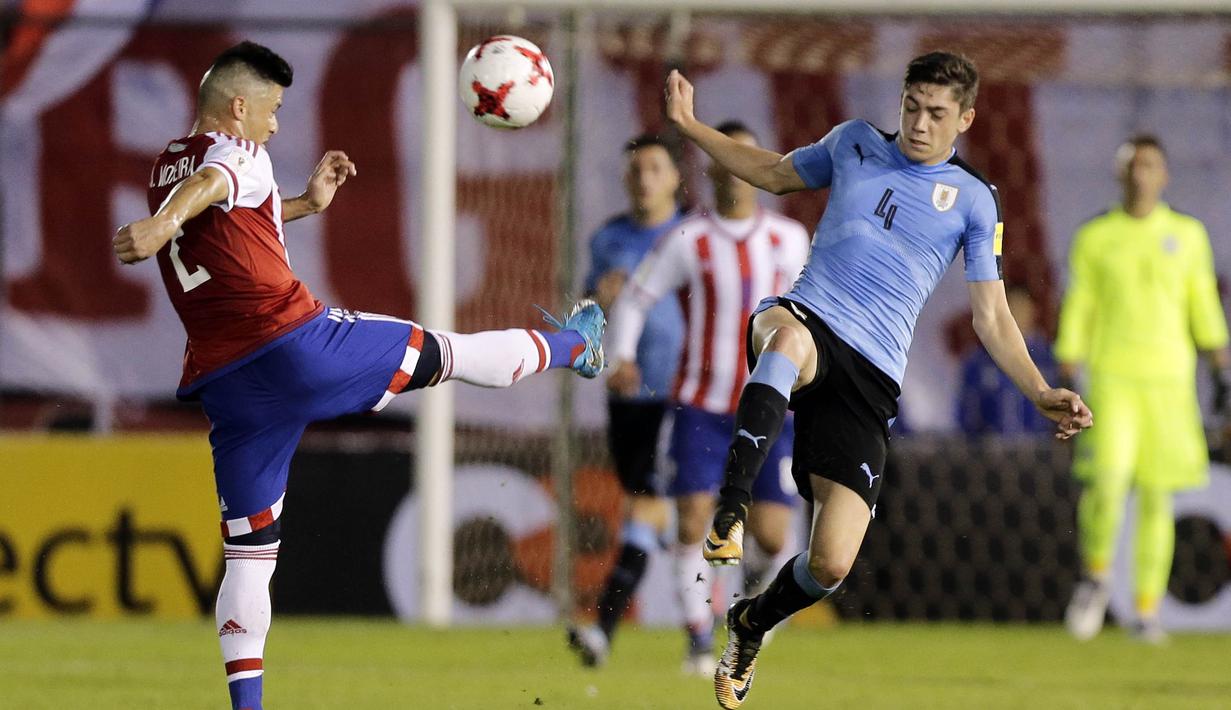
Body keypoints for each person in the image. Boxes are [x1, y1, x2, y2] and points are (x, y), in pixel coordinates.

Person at [112, 42, 605, 710]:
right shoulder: (231, 156)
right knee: (445, 353)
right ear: (237, 107)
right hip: (294, 344)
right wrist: (160, 225)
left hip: (227, 385)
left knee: (249, 553)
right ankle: (577, 346)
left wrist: (305, 205)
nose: (276, 125)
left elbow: (223, 211)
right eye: (273, 110)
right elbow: (215, 188)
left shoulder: (167, 163)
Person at [664, 52, 1093, 709]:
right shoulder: (853, 142)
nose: (919, 124)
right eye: (912, 107)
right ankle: (731, 511)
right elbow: (775, 174)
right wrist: (691, 126)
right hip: (808, 315)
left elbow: (991, 316)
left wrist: (1038, 390)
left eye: (937, 114)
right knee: (785, 340)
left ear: (966, 118)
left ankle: (748, 622)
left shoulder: (975, 201)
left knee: (830, 563)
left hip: (870, 375)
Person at [576, 121, 811, 676]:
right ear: (709, 169)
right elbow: (635, 299)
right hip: (700, 405)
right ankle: (700, 641)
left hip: (771, 403)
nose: (735, 168)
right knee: (691, 524)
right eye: (725, 158)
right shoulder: (690, 238)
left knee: (773, 535)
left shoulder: (787, 239)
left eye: (746, 156)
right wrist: (624, 354)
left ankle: (751, 612)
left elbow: (816, 311)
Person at [1055, 134, 1230, 644]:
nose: (1141, 174)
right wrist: (1067, 371)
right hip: (1111, 378)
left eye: (1150, 165)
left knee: (1158, 497)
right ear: (1120, 173)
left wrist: (1220, 370)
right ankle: (1096, 576)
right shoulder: (1096, 236)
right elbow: (1079, 305)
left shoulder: (1188, 235)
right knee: (1107, 481)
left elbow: (1203, 304)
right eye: (1133, 164)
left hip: (1171, 384)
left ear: (1165, 175)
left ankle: (1147, 609)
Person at [567, 134, 686, 666]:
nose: (644, 179)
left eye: (655, 168)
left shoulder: (692, 237)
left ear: (676, 179)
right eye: (636, 169)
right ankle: (703, 626)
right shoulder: (608, 240)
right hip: (628, 396)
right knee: (651, 504)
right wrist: (597, 303)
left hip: (685, 394)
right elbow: (584, 317)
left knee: (649, 504)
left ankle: (604, 629)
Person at [957, 283, 1058, 435]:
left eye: (1023, 308)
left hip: (1041, 451)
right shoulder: (979, 361)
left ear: (1034, 312)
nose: (1018, 314)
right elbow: (967, 412)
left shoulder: (1050, 360)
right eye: (1012, 308)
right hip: (991, 451)